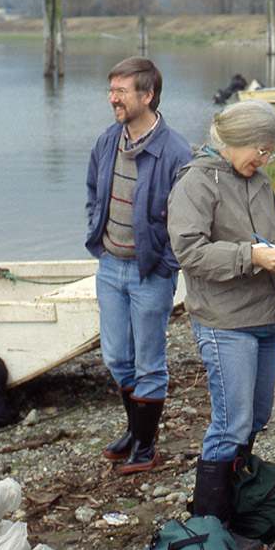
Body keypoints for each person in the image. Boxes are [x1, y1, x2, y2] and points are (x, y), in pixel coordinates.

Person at [167, 99, 275, 550]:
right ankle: (213, 526)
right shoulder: (195, 184)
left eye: (269, 154)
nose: (265, 161)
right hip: (225, 322)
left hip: (268, 316)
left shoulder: (259, 179)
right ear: (235, 143)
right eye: (261, 152)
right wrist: (251, 256)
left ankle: (237, 503)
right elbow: (189, 253)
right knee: (230, 424)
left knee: (255, 418)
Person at [85, 56, 192, 475]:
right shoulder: (107, 141)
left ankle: (146, 446)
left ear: (146, 96)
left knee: (149, 361)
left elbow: (188, 218)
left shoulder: (176, 151)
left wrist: (167, 264)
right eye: (110, 90)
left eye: (121, 91)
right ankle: (135, 430)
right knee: (115, 357)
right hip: (110, 265)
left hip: (151, 272)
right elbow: (93, 191)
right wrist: (97, 236)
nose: (113, 98)